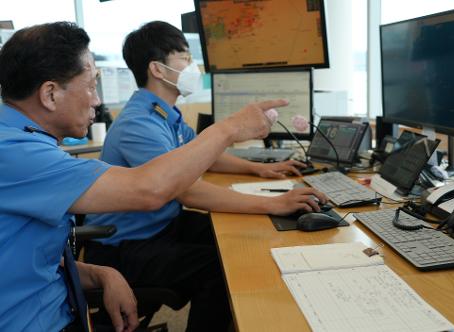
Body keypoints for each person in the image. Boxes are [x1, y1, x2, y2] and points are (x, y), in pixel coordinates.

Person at [0, 21, 297, 332]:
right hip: (69, 303)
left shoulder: (20, 142)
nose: (97, 100)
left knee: (233, 243)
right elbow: (153, 189)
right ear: (49, 94)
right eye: (90, 86)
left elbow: (33, 257)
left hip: (64, 303)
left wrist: (101, 274)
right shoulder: (17, 154)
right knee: (221, 268)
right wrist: (231, 129)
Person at [84, 21, 327, 331]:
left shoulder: (165, 114)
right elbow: (188, 191)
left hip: (162, 225)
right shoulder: (139, 124)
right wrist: (274, 202)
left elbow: (203, 155)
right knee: (222, 268)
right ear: (158, 70)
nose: (193, 67)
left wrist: (258, 168)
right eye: (185, 58)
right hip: (127, 246)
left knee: (242, 238)